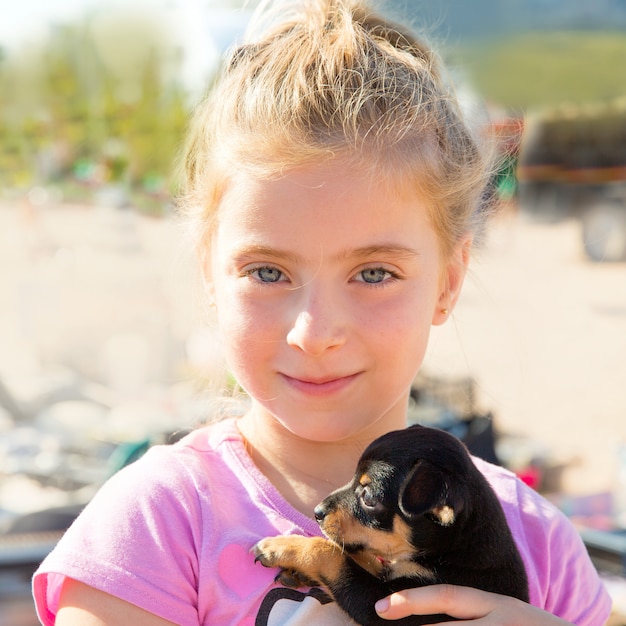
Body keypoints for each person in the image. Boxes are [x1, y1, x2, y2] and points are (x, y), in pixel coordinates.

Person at [33, 0, 612, 624]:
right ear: (210, 274)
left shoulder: (540, 544)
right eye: (267, 272)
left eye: (373, 273)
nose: (315, 333)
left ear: (448, 281)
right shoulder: (155, 528)